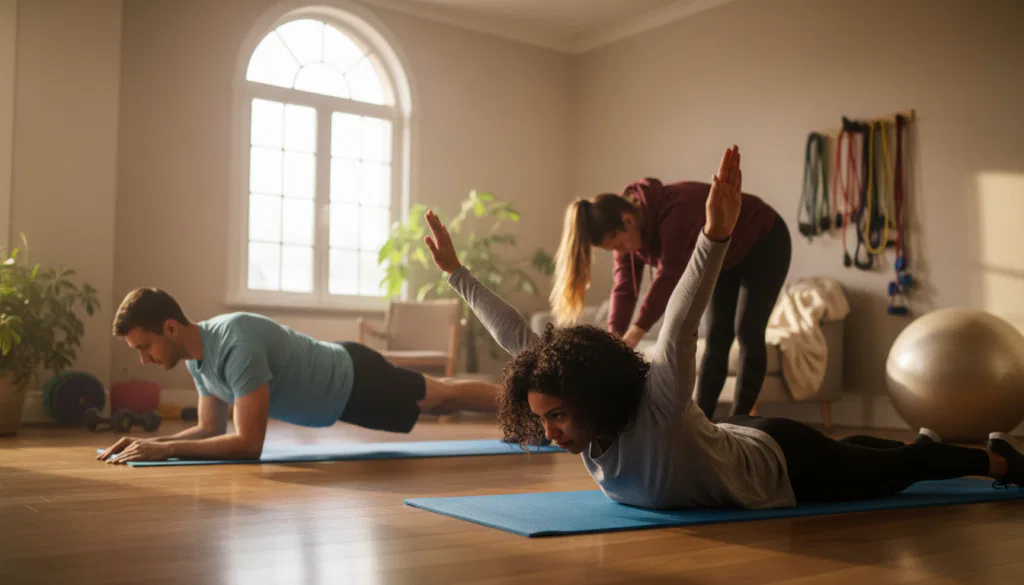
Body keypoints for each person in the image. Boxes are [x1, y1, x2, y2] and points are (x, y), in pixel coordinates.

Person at [425, 145, 1024, 509]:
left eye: (556, 416)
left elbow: (682, 320)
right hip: (741, 435)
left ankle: (999, 462)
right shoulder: (586, 412)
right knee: (858, 453)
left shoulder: (658, 405)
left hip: (786, 467)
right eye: (544, 418)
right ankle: (924, 445)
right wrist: (456, 274)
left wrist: (714, 236)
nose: (549, 431)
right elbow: (521, 342)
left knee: (896, 474)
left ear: (587, 396)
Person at [97, 291, 500, 464]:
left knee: (443, 397)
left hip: (354, 376)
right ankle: (521, 409)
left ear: (170, 328)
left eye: (144, 347)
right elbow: (209, 429)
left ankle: (522, 401)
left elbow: (249, 444)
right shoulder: (195, 360)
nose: (144, 360)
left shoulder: (235, 342)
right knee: (438, 404)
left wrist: (167, 450)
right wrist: (152, 445)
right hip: (342, 400)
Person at [549, 162, 791, 420]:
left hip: (765, 240)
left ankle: (739, 421)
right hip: (726, 257)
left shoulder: (676, 211)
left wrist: (635, 333)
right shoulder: (626, 232)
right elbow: (624, 288)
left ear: (628, 221)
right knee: (717, 336)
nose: (621, 251)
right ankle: (702, 422)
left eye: (618, 245)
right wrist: (615, 340)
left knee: (747, 330)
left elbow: (668, 277)